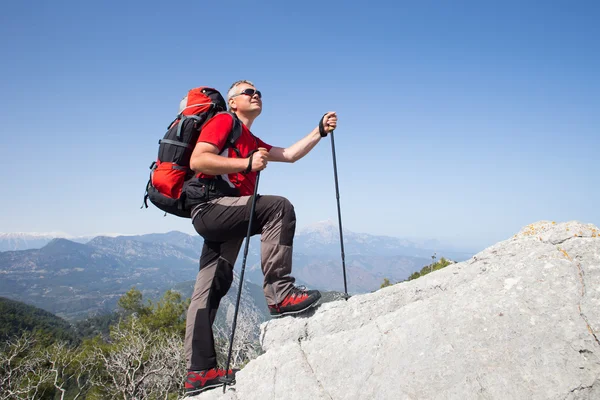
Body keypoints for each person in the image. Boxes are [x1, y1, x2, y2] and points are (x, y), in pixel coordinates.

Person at [183, 80, 337, 395]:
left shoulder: (251, 137)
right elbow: (198, 160)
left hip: (223, 214)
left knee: (209, 289)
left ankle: (199, 371)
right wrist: (246, 163)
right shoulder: (223, 121)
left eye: (259, 92)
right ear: (233, 102)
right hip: (212, 206)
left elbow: (290, 154)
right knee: (278, 207)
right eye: (248, 92)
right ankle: (280, 293)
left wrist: (318, 131)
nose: (256, 95)